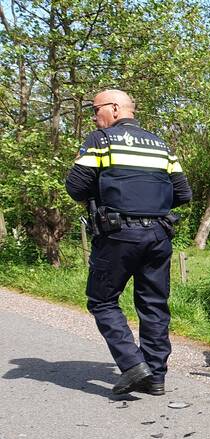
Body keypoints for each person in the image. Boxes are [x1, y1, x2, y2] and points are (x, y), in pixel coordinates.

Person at [65, 89, 192, 396]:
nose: (95, 117)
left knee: (102, 300)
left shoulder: (100, 140)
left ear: (115, 109)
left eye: (96, 110)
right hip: (159, 235)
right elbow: (183, 194)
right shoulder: (162, 146)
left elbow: (76, 188)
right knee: (153, 304)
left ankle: (134, 365)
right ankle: (156, 375)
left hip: (118, 234)